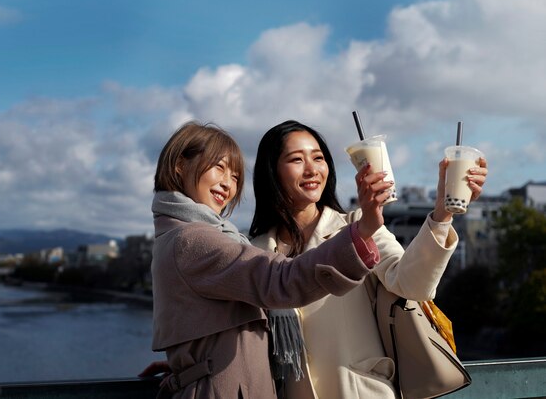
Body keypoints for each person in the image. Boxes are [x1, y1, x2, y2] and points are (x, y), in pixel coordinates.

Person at [148, 120, 392, 398]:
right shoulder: (194, 239)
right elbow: (280, 280)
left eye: (236, 176)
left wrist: (190, 363)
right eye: (219, 167)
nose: (228, 183)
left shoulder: (177, 235)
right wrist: (362, 231)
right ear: (180, 165)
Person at [249, 120, 488, 399]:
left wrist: (442, 214)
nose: (312, 169)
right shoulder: (254, 252)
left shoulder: (358, 225)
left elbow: (412, 284)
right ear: (271, 171)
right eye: (296, 159)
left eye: (318, 158)